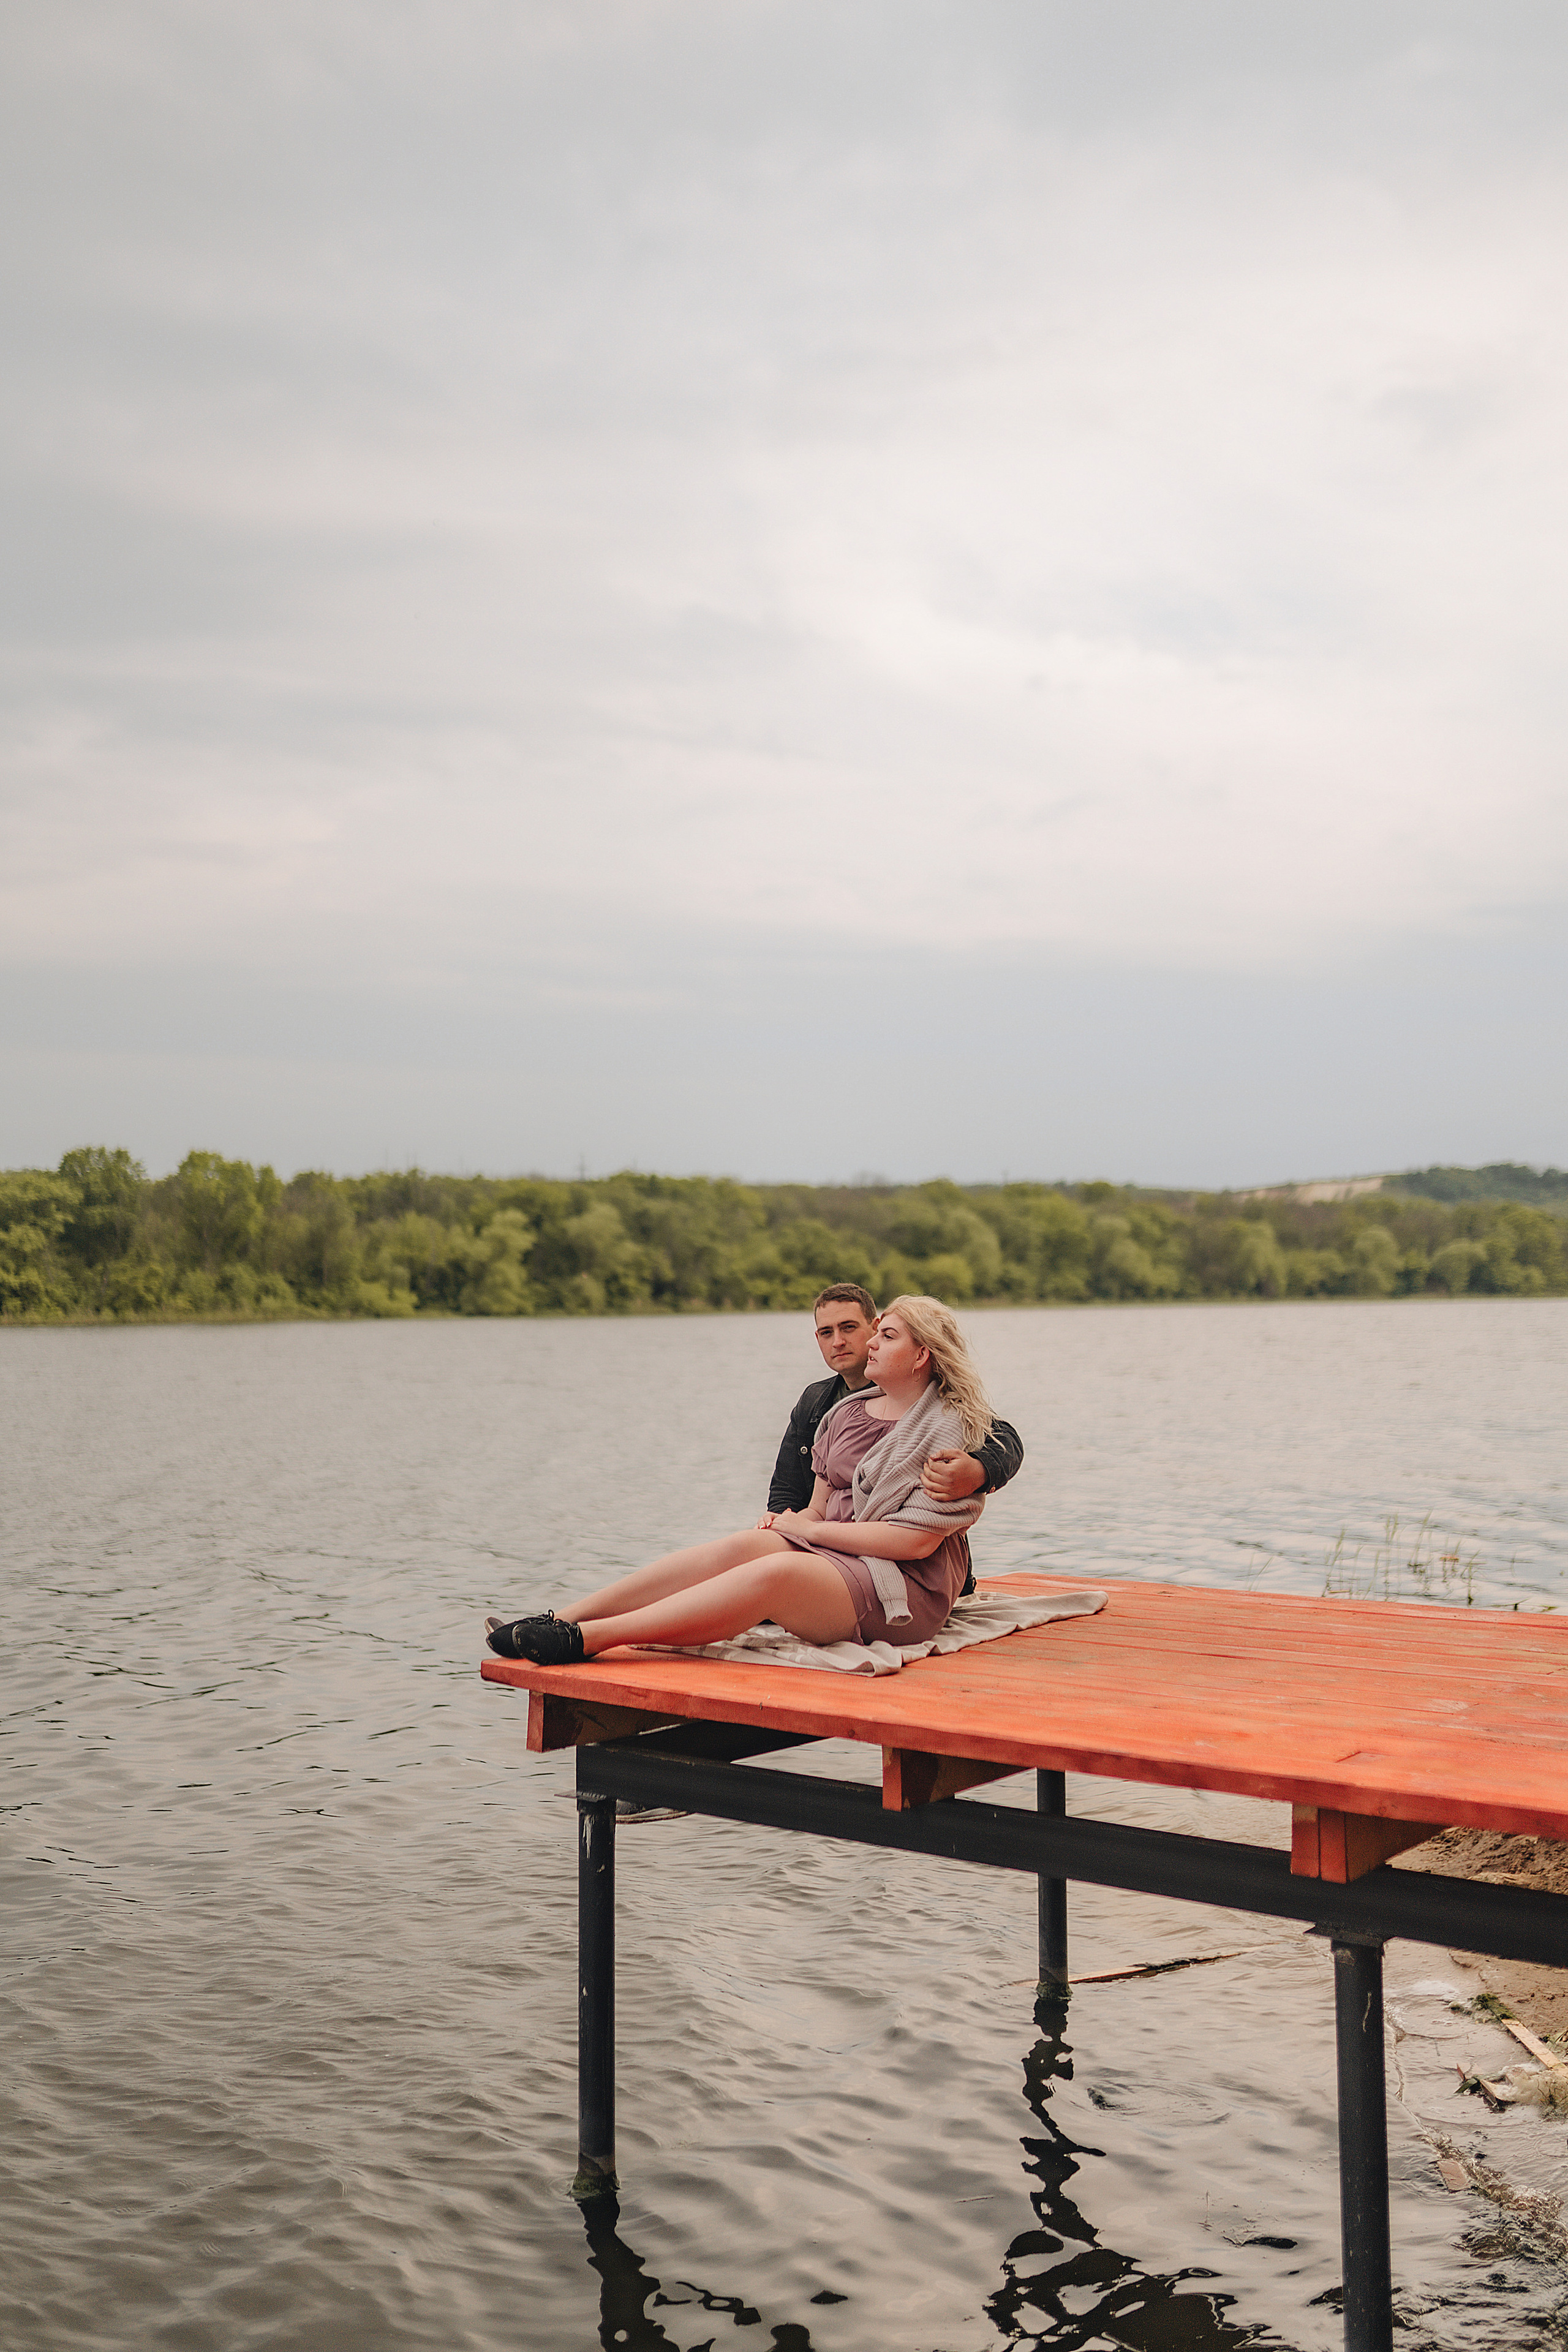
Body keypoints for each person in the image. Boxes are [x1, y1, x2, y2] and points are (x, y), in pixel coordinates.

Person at [484, 1295, 998, 1665]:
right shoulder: (844, 1413)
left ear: (922, 1355)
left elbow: (912, 1542)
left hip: (901, 1587)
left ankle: (591, 1639)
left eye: (886, 1336)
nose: (868, 1344)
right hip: (836, 1558)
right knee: (743, 1546)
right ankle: (558, 1619)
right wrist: (793, 1526)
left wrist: (807, 1533)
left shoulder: (949, 1429)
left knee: (777, 1574)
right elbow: (816, 1508)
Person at [768, 1284, 1024, 1590]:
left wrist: (979, 1471)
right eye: (826, 1332)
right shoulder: (817, 1404)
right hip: (820, 1546)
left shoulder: (921, 1396)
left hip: (901, 1571)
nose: (838, 1341)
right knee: (747, 1563)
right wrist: (778, 1528)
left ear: (874, 1327)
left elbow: (1001, 1436)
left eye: (849, 1328)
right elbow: (786, 1490)